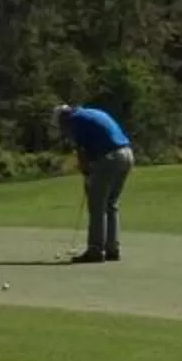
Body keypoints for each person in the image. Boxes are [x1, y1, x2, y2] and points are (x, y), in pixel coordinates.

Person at [53, 100, 134, 263]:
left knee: (97, 205)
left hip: (110, 158)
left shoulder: (75, 121)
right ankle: (112, 249)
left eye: (61, 126)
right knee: (111, 204)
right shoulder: (90, 113)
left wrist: (87, 173)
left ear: (64, 118)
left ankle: (96, 250)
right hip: (127, 155)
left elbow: (82, 152)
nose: (63, 130)